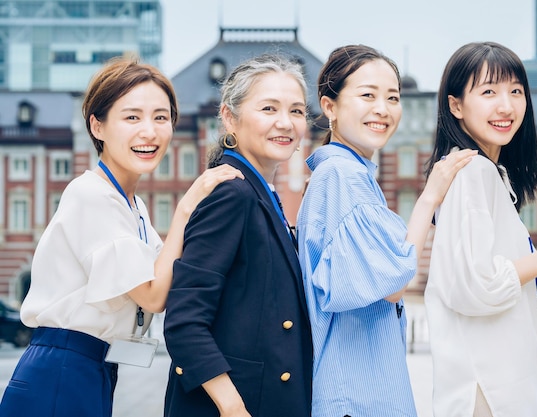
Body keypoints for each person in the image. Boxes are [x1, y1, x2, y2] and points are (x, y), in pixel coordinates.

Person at [0, 57, 242, 417]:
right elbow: (153, 294)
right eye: (132, 117)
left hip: (92, 368)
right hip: (61, 371)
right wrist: (186, 206)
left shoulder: (133, 206)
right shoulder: (90, 195)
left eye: (161, 117)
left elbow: (171, 274)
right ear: (97, 127)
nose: (149, 131)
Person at [296, 44, 476, 417]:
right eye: (367, 96)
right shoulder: (344, 176)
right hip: (355, 393)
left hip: (354, 388)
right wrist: (430, 196)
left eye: (392, 97)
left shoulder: (348, 173)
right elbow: (392, 284)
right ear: (329, 106)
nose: (383, 109)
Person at [424, 41, 537, 416]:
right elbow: (475, 286)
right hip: (489, 391)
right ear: (456, 105)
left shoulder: (490, 174)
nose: (506, 106)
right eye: (489, 92)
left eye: (515, 91)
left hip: (497, 385)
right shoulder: (473, 171)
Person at [163, 54, 313, 417]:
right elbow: (184, 321)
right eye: (268, 108)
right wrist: (232, 408)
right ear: (230, 117)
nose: (285, 123)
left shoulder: (258, 190)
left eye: (296, 111)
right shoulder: (231, 192)